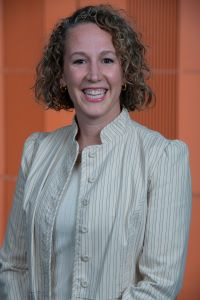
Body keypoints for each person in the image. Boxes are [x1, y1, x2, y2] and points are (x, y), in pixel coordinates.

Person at [0, 5, 191, 300]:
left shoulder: (161, 158)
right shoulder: (36, 151)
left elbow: (159, 285)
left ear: (124, 71)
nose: (93, 75)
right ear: (62, 75)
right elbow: (14, 264)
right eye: (79, 61)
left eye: (107, 60)